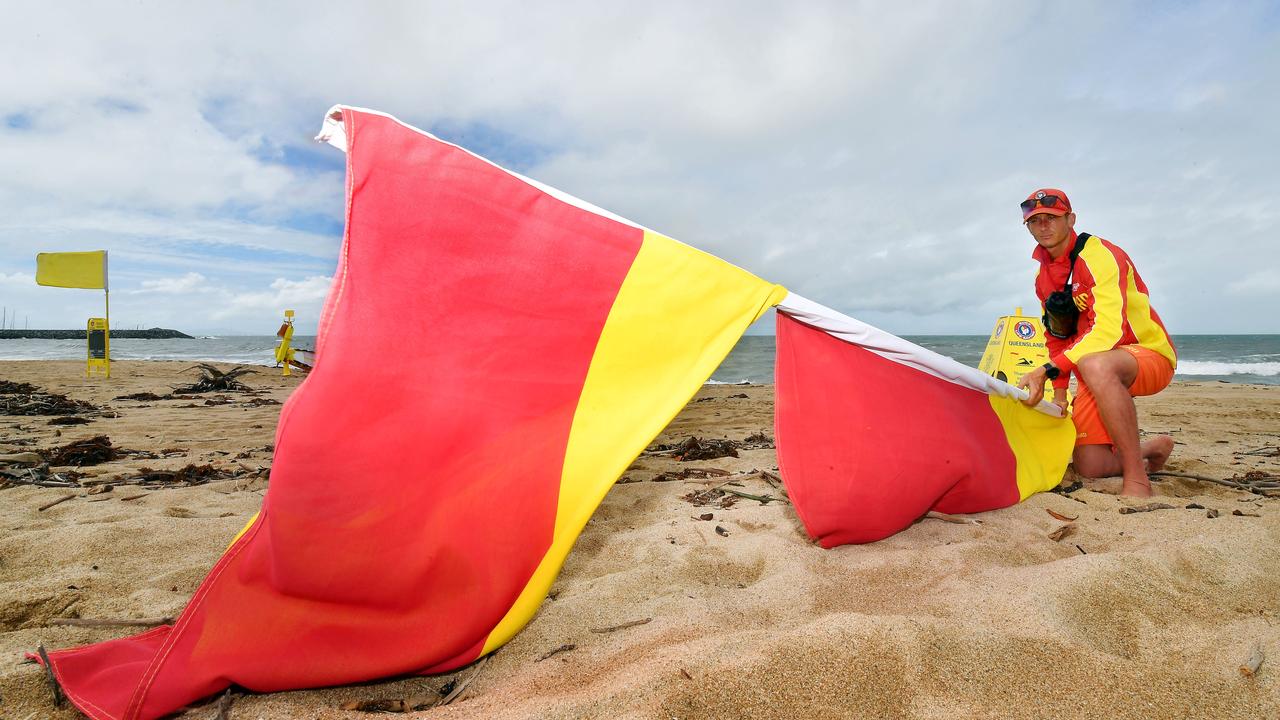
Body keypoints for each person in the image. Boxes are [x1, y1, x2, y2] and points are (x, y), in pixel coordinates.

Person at [1014, 188, 1177, 497]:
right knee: (1090, 465)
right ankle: (1153, 448)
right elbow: (1056, 336)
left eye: (1052, 218)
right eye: (1035, 222)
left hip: (1147, 355)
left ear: (1071, 219)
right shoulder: (1043, 278)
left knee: (1095, 361)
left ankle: (1137, 480)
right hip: (1095, 371)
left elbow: (1109, 331)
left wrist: (1046, 370)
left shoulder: (1101, 253)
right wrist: (1060, 393)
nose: (1044, 226)